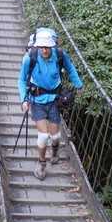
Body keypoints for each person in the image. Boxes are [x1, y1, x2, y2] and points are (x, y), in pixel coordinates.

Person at [18, 29, 83, 180]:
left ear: (52, 46)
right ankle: (41, 164)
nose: (44, 50)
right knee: (43, 136)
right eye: (42, 47)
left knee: (56, 137)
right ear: (38, 46)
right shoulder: (30, 58)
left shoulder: (60, 55)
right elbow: (21, 80)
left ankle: (54, 151)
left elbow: (70, 68)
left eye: (47, 47)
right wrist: (24, 100)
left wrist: (78, 85)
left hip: (54, 101)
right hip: (37, 101)